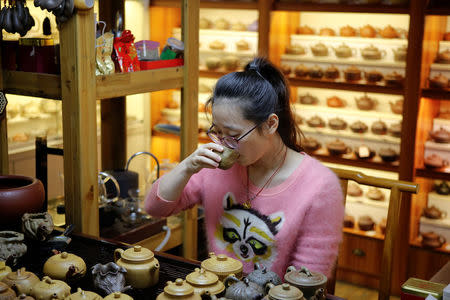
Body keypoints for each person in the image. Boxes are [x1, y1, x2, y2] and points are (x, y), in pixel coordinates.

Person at [144, 57, 345, 278]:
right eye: (217, 131)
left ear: (270, 124)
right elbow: (155, 208)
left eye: (233, 135)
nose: (222, 144)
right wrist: (187, 166)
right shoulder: (215, 167)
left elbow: (305, 282)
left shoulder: (320, 186)